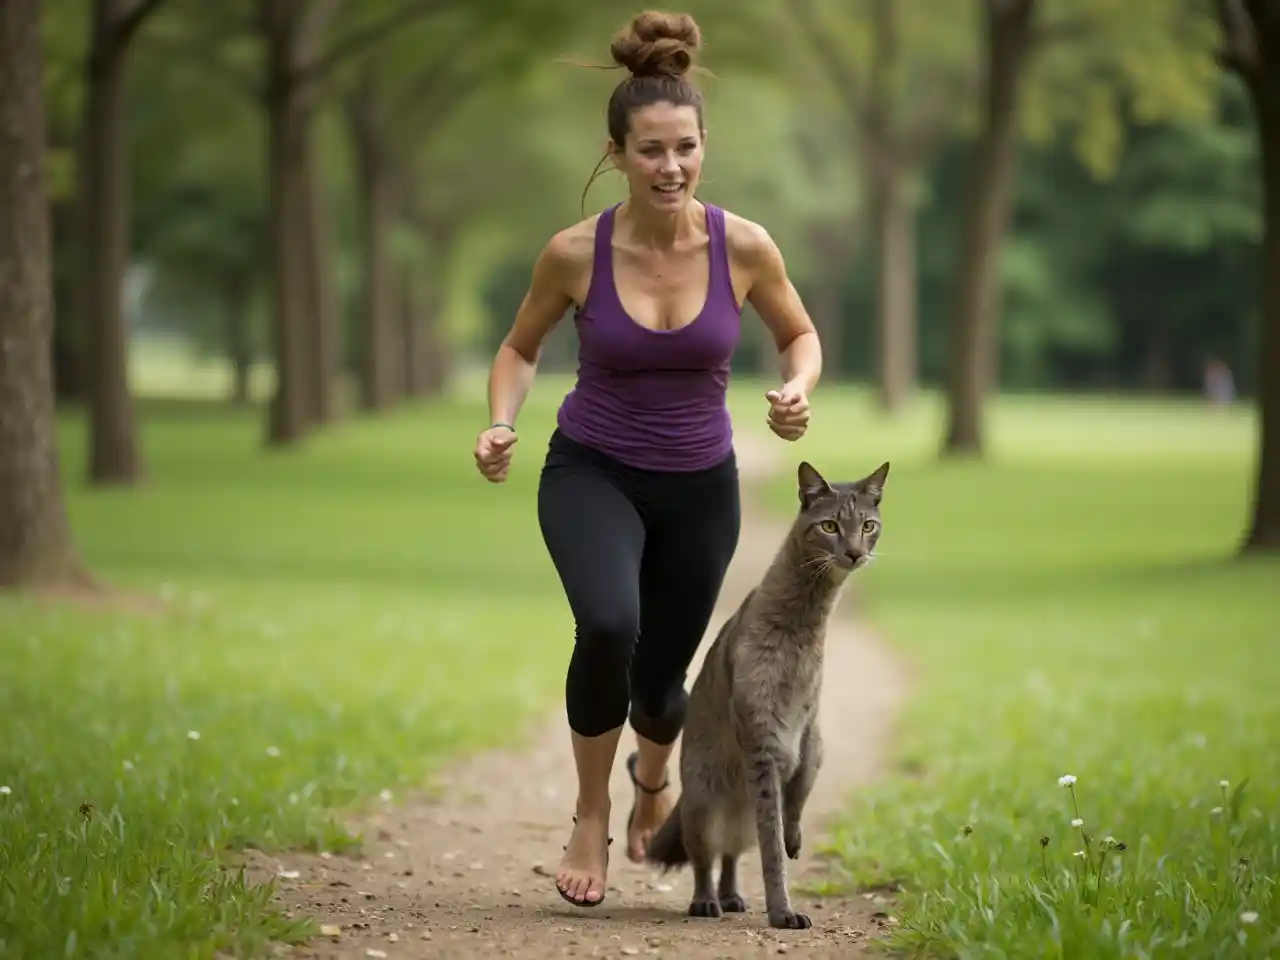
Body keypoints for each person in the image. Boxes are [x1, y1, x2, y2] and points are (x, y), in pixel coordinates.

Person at [472, 9, 823, 908]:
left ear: (704, 147)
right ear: (617, 153)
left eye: (686, 148)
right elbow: (518, 349)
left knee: (664, 688)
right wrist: (502, 421)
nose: (671, 167)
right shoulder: (573, 254)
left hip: (701, 487)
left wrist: (796, 390)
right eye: (652, 150)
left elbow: (799, 334)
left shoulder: (742, 245)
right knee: (607, 625)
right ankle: (592, 812)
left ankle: (653, 779)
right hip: (592, 468)